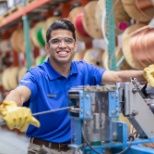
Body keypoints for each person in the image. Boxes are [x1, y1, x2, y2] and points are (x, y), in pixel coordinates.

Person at [0, 19, 146, 154]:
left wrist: (145, 74)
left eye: (68, 41)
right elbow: (19, 93)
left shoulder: (85, 70)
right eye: (56, 41)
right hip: (43, 149)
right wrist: (11, 105)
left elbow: (117, 77)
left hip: (78, 148)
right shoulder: (37, 75)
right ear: (47, 47)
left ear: (75, 46)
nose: (62, 45)